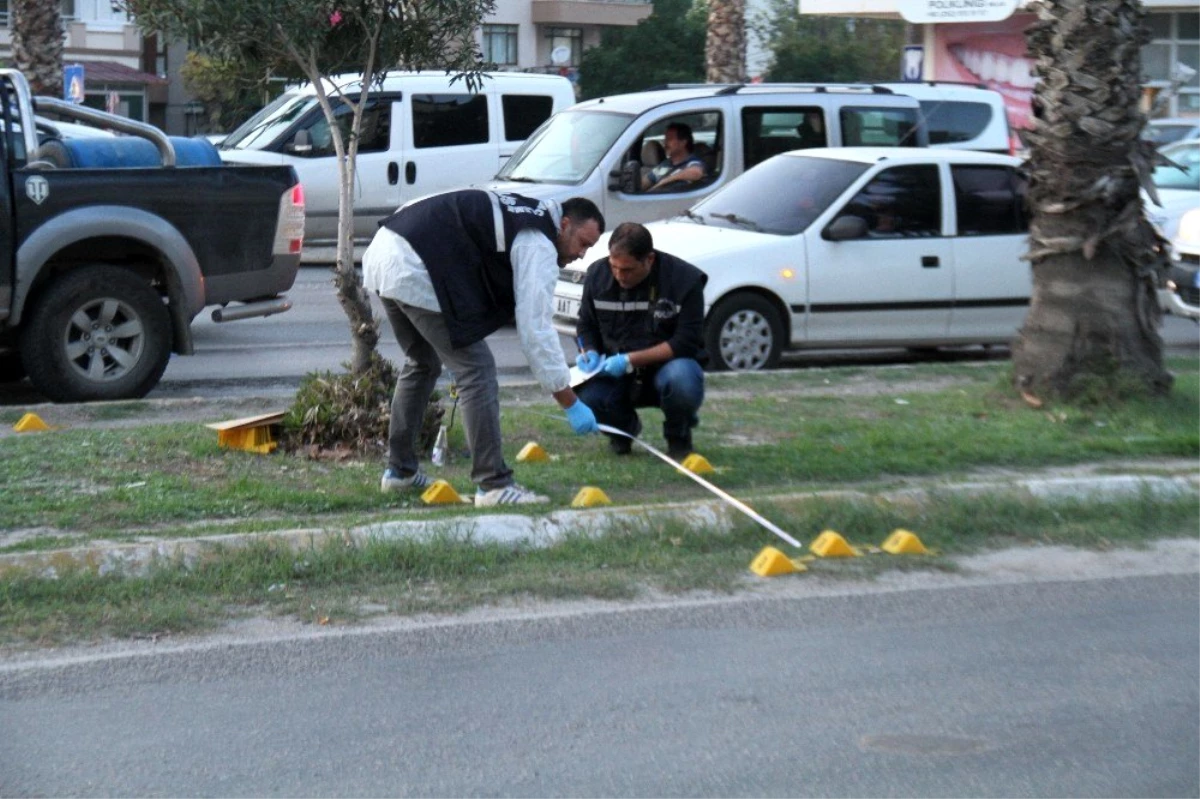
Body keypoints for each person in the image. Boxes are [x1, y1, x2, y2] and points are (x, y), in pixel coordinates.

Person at [363, 189, 605, 506]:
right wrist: (569, 401)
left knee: (422, 363)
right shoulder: (538, 241)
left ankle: (400, 473)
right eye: (583, 243)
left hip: (386, 249)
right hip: (412, 266)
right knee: (476, 371)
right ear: (565, 223)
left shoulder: (522, 211)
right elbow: (536, 329)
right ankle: (493, 484)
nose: (582, 255)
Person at [574, 222, 707, 460]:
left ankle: (679, 435)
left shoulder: (685, 280)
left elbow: (686, 342)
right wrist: (589, 350)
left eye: (627, 270)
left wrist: (630, 360)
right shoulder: (597, 275)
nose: (619, 276)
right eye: (614, 267)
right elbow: (585, 325)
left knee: (683, 380)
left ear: (649, 259)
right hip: (614, 372)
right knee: (588, 397)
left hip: (665, 368)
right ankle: (623, 432)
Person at [641, 122, 707, 192]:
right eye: (665, 139)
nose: (665, 143)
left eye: (670, 139)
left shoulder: (693, 162)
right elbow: (645, 182)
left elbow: (696, 173)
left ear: (683, 142)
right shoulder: (664, 165)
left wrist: (664, 181)